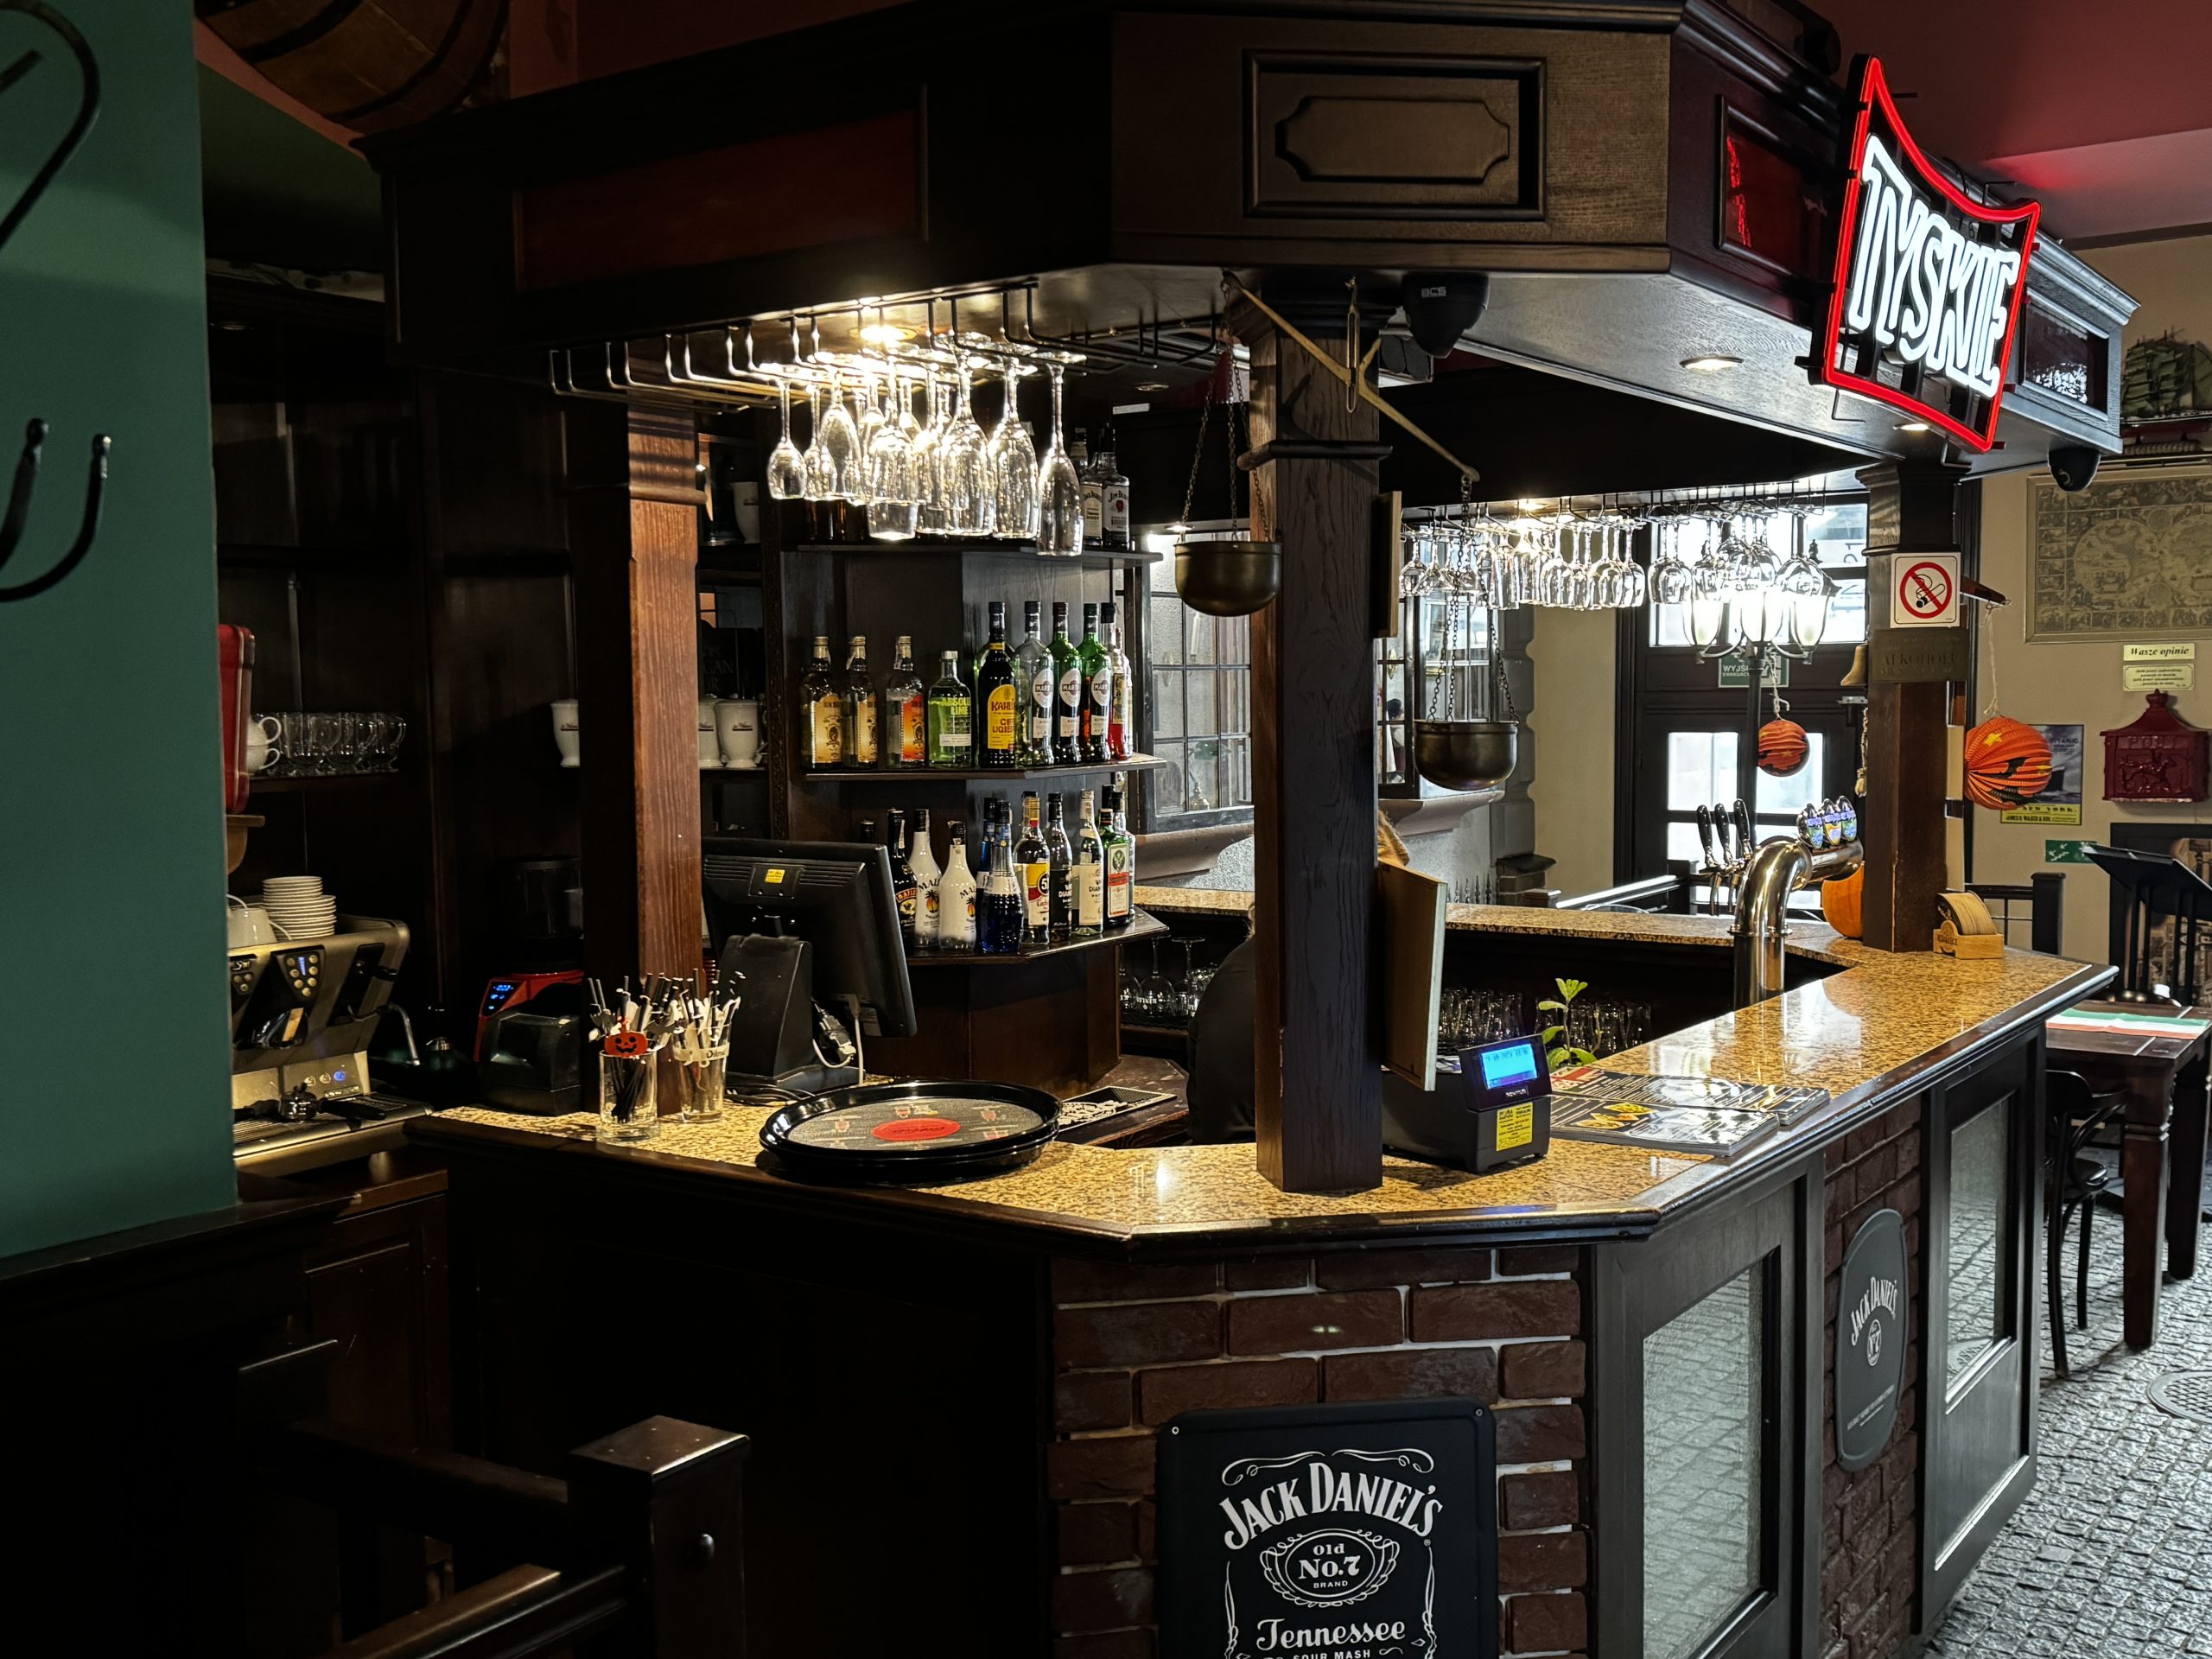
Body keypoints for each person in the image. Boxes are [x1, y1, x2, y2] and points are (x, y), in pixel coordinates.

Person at [1185, 814, 1412, 1143]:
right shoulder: (1263, 985)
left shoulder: (1303, 969)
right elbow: (1243, 1139)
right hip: (1246, 1169)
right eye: (1382, 899)